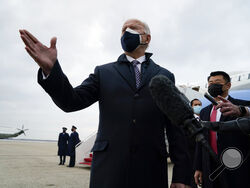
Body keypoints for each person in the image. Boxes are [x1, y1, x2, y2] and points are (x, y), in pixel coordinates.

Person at [19, 19, 191, 188]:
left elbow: (175, 128)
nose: (126, 32)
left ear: (147, 38)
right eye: (123, 30)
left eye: (133, 28)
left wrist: (182, 175)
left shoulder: (165, 76)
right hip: (109, 170)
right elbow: (71, 101)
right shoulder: (104, 72)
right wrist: (51, 70)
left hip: (150, 169)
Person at [194, 71, 250, 188]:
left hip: (236, 166)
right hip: (210, 167)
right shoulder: (204, 112)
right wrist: (198, 167)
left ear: (228, 85)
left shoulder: (241, 106)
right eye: (210, 83)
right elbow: (201, 140)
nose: (213, 85)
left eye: (217, 82)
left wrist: (242, 111)